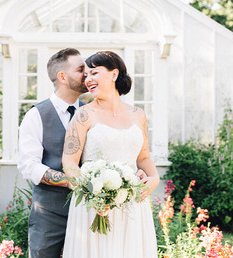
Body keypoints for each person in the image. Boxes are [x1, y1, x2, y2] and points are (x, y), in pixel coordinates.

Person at [62, 51, 160, 258]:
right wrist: (93, 193)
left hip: (131, 203)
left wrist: (154, 179)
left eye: (94, 73)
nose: (88, 80)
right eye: (86, 76)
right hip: (94, 206)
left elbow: (143, 158)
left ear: (114, 74)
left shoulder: (138, 115)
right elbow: (69, 161)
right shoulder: (83, 115)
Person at [18, 48, 88, 258]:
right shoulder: (35, 115)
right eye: (80, 69)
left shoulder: (90, 113)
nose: (88, 74)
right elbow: (29, 165)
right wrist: (69, 180)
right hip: (49, 214)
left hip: (87, 211)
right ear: (62, 77)